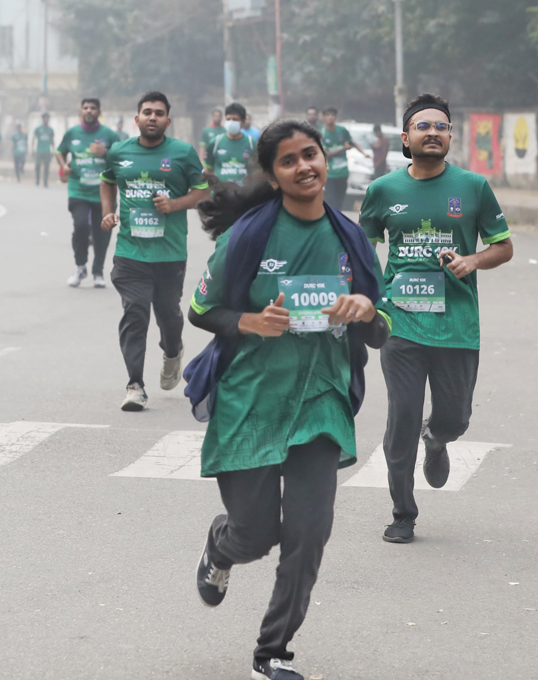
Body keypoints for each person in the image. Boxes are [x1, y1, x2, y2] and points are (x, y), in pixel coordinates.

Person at [188, 120, 388, 680]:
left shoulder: (350, 239)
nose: (305, 166)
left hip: (321, 401)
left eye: (312, 154)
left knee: (308, 533)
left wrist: (367, 311)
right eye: (289, 160)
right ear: (273, 176)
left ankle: (272, 651)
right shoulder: (248, 238)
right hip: (251, 400)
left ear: (325, 160)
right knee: (256, 534)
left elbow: (382, 324)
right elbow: (201, 310)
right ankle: (222, 547)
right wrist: (250, 321)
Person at [359, 93, 514, 544]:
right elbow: (362, 251)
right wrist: (367, 297)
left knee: (456, 416)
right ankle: (403, 513)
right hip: (400, 324)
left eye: (441, 126)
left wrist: (472, 261)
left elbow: (503, 247)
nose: (433, 132)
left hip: (457, 325)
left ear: (450, 136)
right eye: (423, 126)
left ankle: (439, 436)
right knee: (401, 417)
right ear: (406, 138)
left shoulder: (474, 187)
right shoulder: (382, 191)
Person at [100, 91, 210, 411]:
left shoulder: (182, 153)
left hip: (169, 252)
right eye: (147, 112)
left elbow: (202, 193)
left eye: (159, 113)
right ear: (137, 119)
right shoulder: (119, 152)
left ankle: (172, 351)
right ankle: (135, 385)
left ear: (167, 121)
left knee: (168, 314)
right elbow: (107, 181)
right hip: (130, 251)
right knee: (135, 311)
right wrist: (108, 211)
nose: (152, 117)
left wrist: (174, 204)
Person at [56, 98, 121, 288]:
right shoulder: (72, 133)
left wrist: (106, 152)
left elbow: (122, 157)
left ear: (99, 111)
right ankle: (80, 266)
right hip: (79, 190)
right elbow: (59, 151)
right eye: (85, 108)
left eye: (93, 108)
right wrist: (64, 167)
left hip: (105, 192)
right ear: (80, 112)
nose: (89, 111)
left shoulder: (109, 134)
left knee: (103, 232)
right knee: (81, 225)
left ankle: (98, 271)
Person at [320, 107, 367, 211]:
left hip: (343, 172)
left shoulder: (342, 130)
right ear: (323, 117)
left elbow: (352, 142)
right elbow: (326, 154)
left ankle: (338, 221)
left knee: (340, 200)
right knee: (330, 199)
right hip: (329, 173)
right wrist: (343, 149)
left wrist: (364, 153)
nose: (330, 117)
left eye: (332, 115)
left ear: (336, 117)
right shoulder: (321, 133)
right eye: (327, 115)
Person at [204, 102, 256, 187]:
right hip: (221, 194)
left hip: (245, 194)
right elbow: (208, 170)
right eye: (228, 119)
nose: (231, 122)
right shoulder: (215, 143)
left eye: (235, 119)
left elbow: (257, 171)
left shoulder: (251, 144)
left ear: (242, 122)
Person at [33, 112, 55, 187]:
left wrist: (53, 150)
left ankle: (45, 182)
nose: (46, 119)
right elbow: (34, 139)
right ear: (42, 119)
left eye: (47, 118)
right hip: (39, 150)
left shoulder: (50, 130)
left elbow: (52, 140)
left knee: (46, 167)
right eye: (44, 118)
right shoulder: (38, 129)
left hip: (47, 151)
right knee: (37, 166)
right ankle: (37, 180)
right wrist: (33, 149)